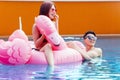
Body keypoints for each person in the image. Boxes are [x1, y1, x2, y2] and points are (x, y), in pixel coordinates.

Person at [32, 1, 59, 66]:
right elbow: (36, 45)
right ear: (46, 10)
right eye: (52, 9)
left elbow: (57, 41)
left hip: (53, 49)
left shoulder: (53, 24)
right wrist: (44, 35)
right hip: (42, 49)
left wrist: (57, 22)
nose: (54, 12)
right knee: (48, 46)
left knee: (72, 43)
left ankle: (87, 58)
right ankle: (51, 68)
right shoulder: (36, 26)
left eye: (55, 10)